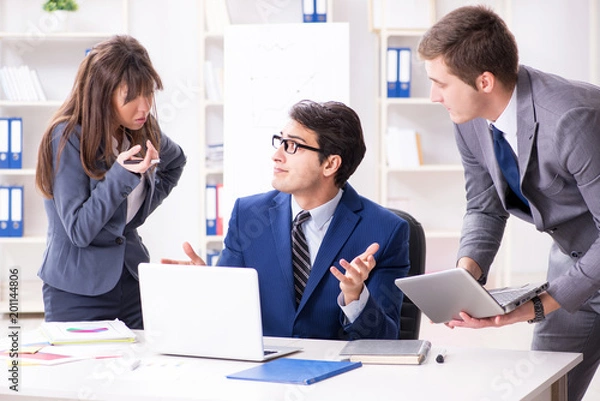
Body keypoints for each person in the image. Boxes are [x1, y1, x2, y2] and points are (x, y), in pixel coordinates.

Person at [418, 5, 600, 400]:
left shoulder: (572, 118)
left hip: (584, 267)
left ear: (484, 81)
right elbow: (485, 204)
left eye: (441, 83)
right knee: (547, 393)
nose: (433, 96)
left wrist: (534, 306)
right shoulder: (469, 122)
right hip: (575, 266)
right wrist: (467, 277)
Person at [163, 99, 410, 340]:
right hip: (261, 372)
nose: (277, 156)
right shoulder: (248, 214)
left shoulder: (386, 231)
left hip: (339, 375)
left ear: (330, 164)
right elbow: (226, 314)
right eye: (280, 142)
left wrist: (355, 296)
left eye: (293, 146)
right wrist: (205, 287)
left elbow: (386, 341)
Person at [35, 35, 186, 330]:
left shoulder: (143, 128)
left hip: (132, 283)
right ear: (102, 93)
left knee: (142, 371)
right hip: (78, 290)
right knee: (83, 375)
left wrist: (133, 215)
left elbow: (176, 162)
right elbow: (79, 230)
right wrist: (123, 175)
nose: (144, 107)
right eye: (131, 96)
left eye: (149, 94)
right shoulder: (66, 136)